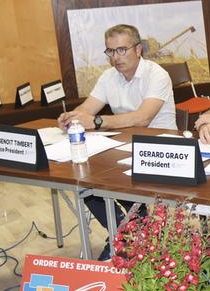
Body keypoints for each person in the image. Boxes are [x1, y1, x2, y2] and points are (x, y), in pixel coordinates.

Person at [58, 24, 176, 260]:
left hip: (160, 149)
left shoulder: (157, 75)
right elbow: (87, 109)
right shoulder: (108, 76)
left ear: (138, 49)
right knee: (84, 179)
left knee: (110, 178)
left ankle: (125, 233)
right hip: (122, 146)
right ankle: (125, 232)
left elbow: (142, 118)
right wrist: (72, 118)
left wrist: (97, 121)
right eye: (110, 52)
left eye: (122, 50)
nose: (116, 57)